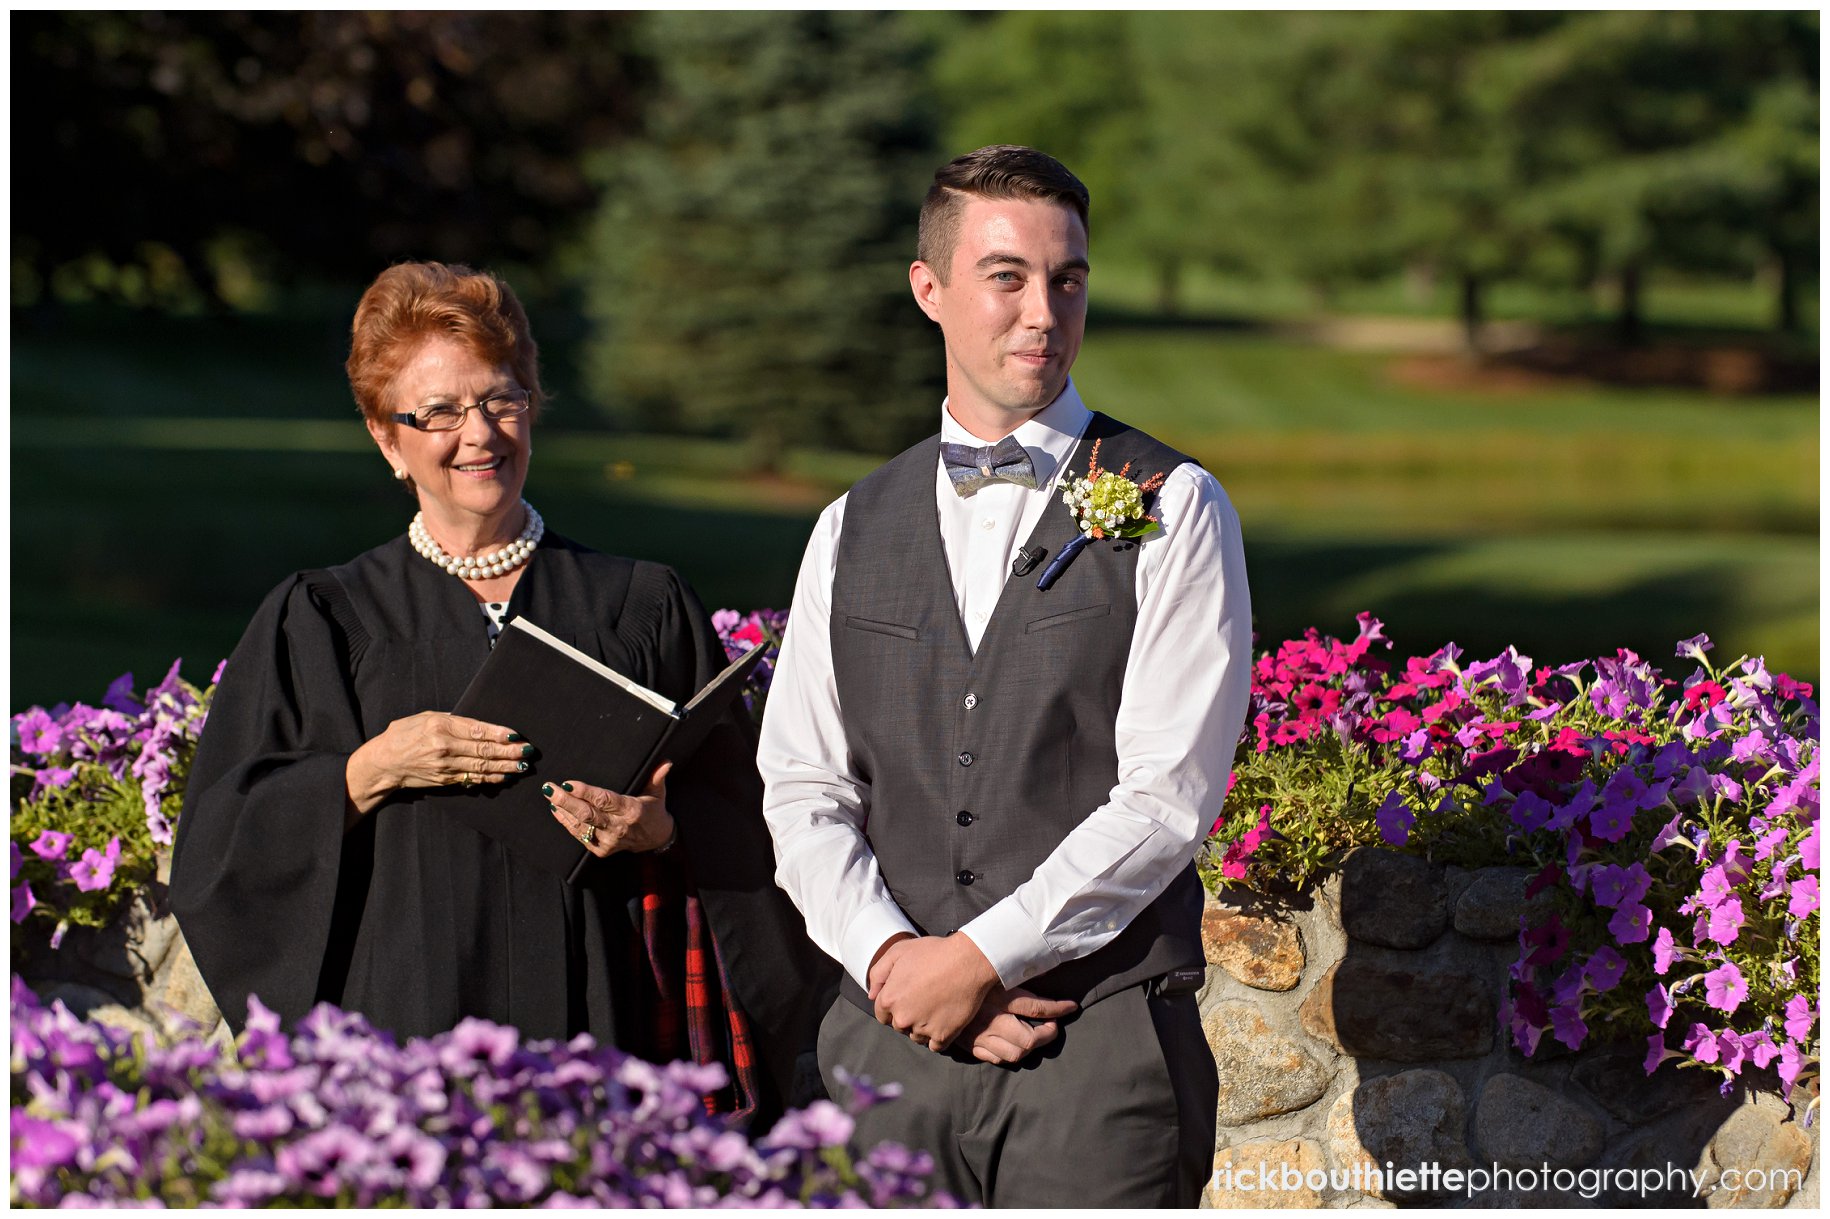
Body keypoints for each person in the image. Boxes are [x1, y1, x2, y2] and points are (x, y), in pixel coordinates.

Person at [169, 261, 830, 1124]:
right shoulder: (325, 620)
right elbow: (224, 845)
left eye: (501, 399)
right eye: (438, 412)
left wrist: (663, 828)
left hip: (610, 1032)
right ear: (386, 437)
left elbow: (753, 823)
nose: (479, 433)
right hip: (401, 1051)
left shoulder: (639, 605)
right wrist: (367, 771)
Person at [758, 146, 1253, 1205]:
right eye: (1007, 277)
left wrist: (978, 960)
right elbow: (804, 783)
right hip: (883, 1053)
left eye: (1067, 279)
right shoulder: (849, 527)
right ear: (929, 290)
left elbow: (1167, 799)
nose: (1043, 312)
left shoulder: (1174, 504)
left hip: (1101, 1051)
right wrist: (896, 963)